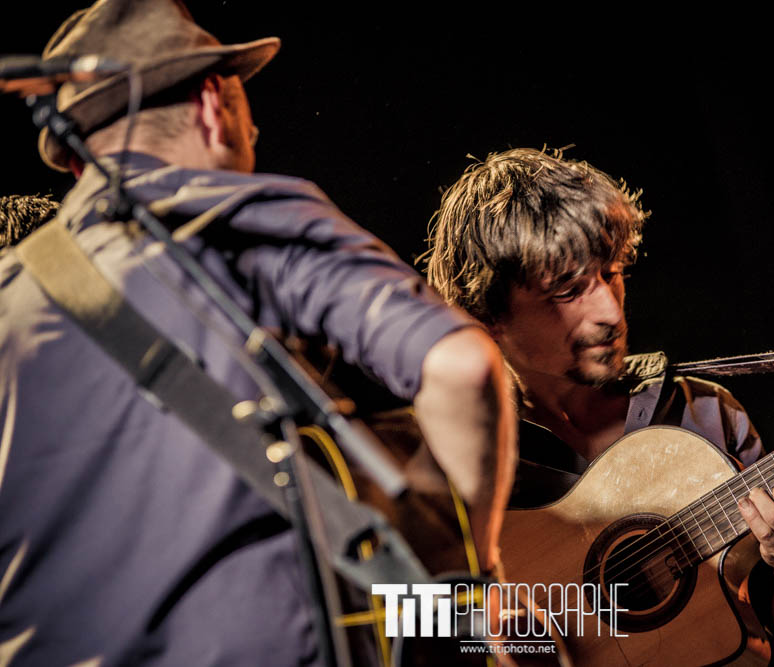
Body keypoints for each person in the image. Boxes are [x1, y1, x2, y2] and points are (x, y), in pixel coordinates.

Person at [0, 1, 515, 665]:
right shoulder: (234, 215)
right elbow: (460, 366)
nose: (257, 128)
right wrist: (477, 576)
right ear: (213, 104)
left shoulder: (10, 294)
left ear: (77, 165)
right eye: (248, 110)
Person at [424, 147, 774, 663]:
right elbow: (382, 624)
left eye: (611, 273)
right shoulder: (433, 457)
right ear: (484, 314)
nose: (609, 310)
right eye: (568, 290)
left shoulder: (706, 414)